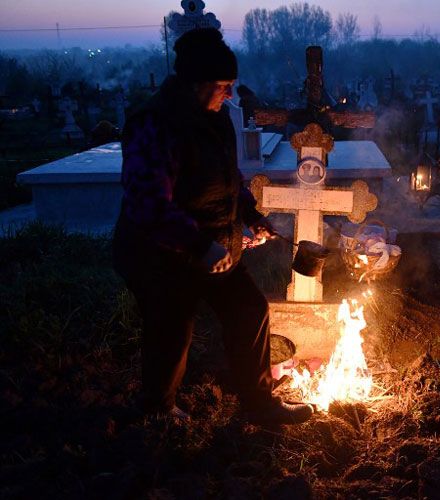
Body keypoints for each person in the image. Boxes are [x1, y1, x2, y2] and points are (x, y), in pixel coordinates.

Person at [112, 28, 313, 425]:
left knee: (250, 310)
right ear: (194, 83)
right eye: (224, 85)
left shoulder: (216, 119)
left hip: (215, 249)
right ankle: (157, 411)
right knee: (171, 329)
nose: (230, 95)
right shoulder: (154, 125)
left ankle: (258, 403)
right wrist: (199, 245)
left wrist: (250, 216)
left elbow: (227, 178)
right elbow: (149, 204)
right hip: (161, 254)